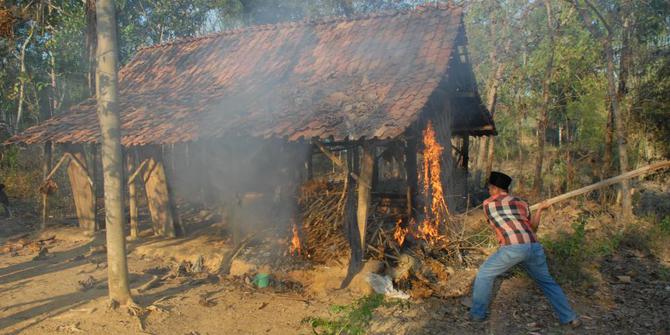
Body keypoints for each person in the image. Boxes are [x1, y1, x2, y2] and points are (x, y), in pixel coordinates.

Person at [469, 171, 581, 328]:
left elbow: (495, 223)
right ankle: (570, 318)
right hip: (534, 247)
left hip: (512, 248)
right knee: (547, 282)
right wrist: (540, 209)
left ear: (494, 189)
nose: (488, 191)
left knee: (484, 274)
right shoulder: (522, 203)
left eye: (489, 188)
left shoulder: (488, 204)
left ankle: (477, 314)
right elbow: (533, 228)